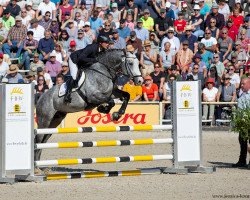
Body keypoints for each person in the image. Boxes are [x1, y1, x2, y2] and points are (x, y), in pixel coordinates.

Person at [65, 35, 110, 103]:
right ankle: (67, 95)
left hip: (85, 62)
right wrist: (94, 60)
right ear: (100, 43)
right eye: (106, 43)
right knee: (74, 76)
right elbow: (81, 58)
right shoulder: (91, 47)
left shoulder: (103, 50)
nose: (108, 44)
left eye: (108, 43)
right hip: (75, 60)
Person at [232, 78, 250, 168]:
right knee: (242, 141)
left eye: (243, 84)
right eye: (241, 84)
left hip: (248, 121)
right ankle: (242, 160)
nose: (241, 85)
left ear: (249, 84)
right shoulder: (241, 94)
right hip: (243, 123)